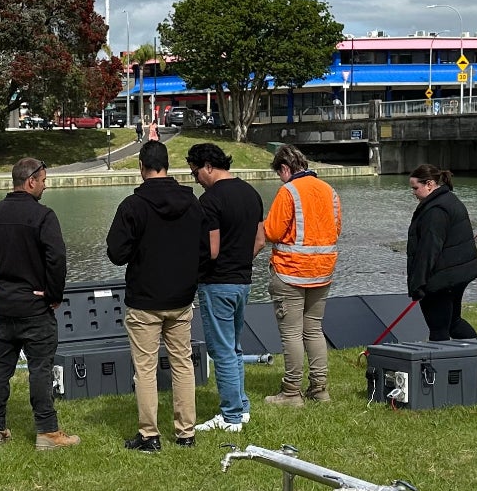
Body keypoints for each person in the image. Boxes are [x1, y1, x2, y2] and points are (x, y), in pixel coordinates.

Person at [0, 157, 79, 450]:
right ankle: (47, 432)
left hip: (4, 306)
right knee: (40, 368)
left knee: (0, 368)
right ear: (30, 181)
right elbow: (57, 258)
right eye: (44, 181)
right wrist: (53, 295)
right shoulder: (43, 216)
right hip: (35, 307)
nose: (45, 186)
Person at [104, 139, 203, 452]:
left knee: (145, 369)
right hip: (182, 297)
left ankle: (149, 435)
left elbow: (116, 253)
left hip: (145, 298)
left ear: (141, 167)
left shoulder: (133, 206)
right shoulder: (192, 202)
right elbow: (203, 248)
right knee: (182, 364)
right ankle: (186, 433)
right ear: (167, 166)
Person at [187, 140, 264, 431]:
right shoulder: (251, 193)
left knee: (221, 351)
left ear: (208, 167)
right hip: (243, 281)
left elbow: (213, 249)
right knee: (234, 347)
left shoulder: (210, 200)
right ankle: (241, 406)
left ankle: (231, 415)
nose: (196, 179)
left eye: (195, 173)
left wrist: (192, 270)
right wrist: (240, 261)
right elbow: (260, 240)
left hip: (217, 283)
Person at [260, 144, 341, 404]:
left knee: (292, 333)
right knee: (314, 329)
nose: (280, 179)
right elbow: (336, 229)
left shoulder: (289, 191)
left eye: (279, 174)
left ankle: (291, 391)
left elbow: (272, 231)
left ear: (285, 168)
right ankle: (319, 388)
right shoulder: (329, 191)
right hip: (322, 271)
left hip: (290, 272)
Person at [406, 163, 477, 340]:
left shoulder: (435, 210)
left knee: (438, 329)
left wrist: (419, 284)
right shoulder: (449, 200)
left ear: (429, 184)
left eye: (415, 188)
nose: (413, 193)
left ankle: (474, 355)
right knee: (454, 323)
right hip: (455, 275)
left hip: (442, 279)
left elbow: (428, 250)